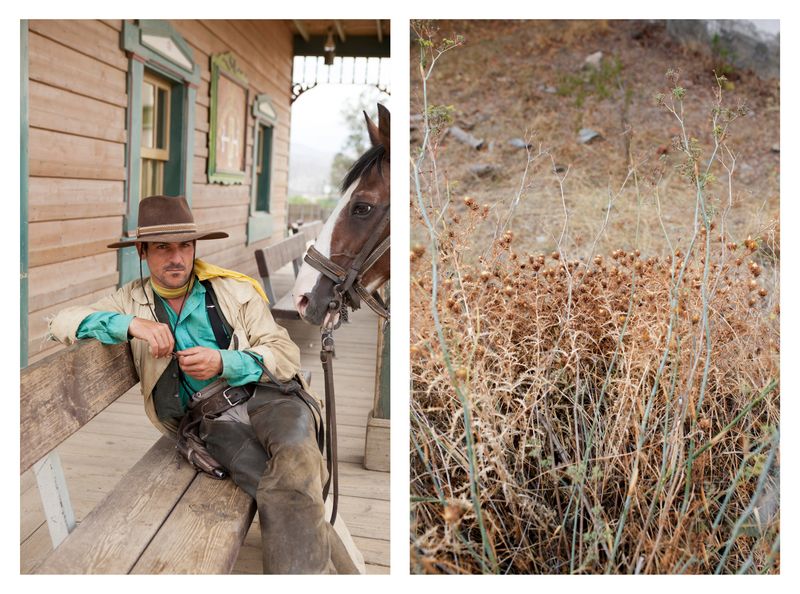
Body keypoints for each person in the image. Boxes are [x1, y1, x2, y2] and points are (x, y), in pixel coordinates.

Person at [48, 195, 357, 574]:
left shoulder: (233, 290)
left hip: (270, 395)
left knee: (296, 457)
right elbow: (59, 322)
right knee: (283, 482)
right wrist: (130, 325)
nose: (177, 257)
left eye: (185, 246)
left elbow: (284, 353)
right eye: (163, 248)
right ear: (142, 253)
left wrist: (225, 361)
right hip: (211, 423)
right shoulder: (129, 301)